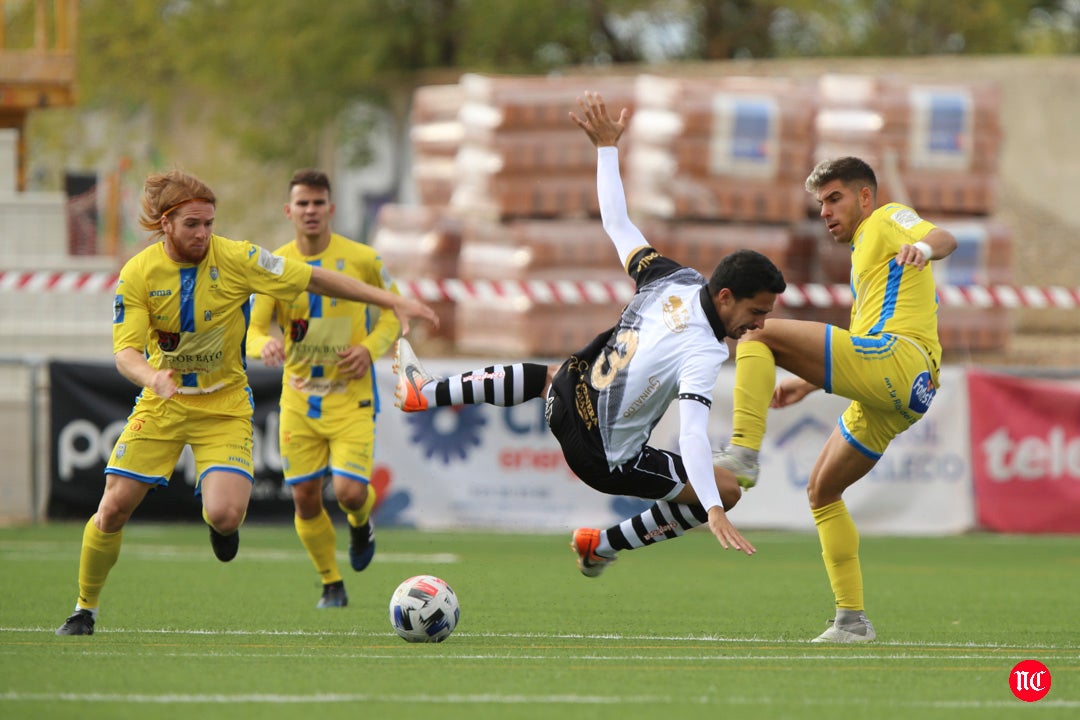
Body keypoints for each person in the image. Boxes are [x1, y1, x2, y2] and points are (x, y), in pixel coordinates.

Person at [394, 92, 787, 575]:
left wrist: (606, 148)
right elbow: (691, 436)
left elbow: (616, 223)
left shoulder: (673, 277)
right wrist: (712, 507)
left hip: (566, 397)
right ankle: (602, 545)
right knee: (727, 487)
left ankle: (426, 392)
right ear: (725, 296)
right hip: (603, 458)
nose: (760, 325)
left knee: (550, 375)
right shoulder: (704, 350)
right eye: (757, 311)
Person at [55, 169, 437, 636]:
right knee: (112, 507)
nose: (203, 234)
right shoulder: (138, 272)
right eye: (192, 224)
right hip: (163, 404)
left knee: (225, 513)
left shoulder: (238, 258)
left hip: (225, 405)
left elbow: (314, 279)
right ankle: (83, 609)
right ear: (165, 223)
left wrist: (392, 302)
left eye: (209, 224)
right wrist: (152, 376)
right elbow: (125, 352)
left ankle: (224, 528)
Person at [713, 156, 958, 643]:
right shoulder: (865, 252)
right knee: (822, 493)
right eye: (820, 203)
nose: (825, 211)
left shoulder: (887, 218)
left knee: (754, 335)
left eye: (834, 198)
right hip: (902, 391)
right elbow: (860, 335)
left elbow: (942, 237)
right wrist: (806, 383)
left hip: (899, 361)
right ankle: (852, 622)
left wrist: (923, 250)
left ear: (865, 196)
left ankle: (742, 453)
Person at [247, 169, 400, 609]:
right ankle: (331, 582)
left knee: (351, 492)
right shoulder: (273, 264)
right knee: (304, 497)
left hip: (351, 395)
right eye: (302, 204)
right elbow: (253, 332)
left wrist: (370, 349)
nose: (310, 211)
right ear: (288, 211)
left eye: (318, 203)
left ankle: (360, 522)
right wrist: (266, 345)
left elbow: (392, 313)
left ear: (331, 208)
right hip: (298, 397)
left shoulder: (363, 259)